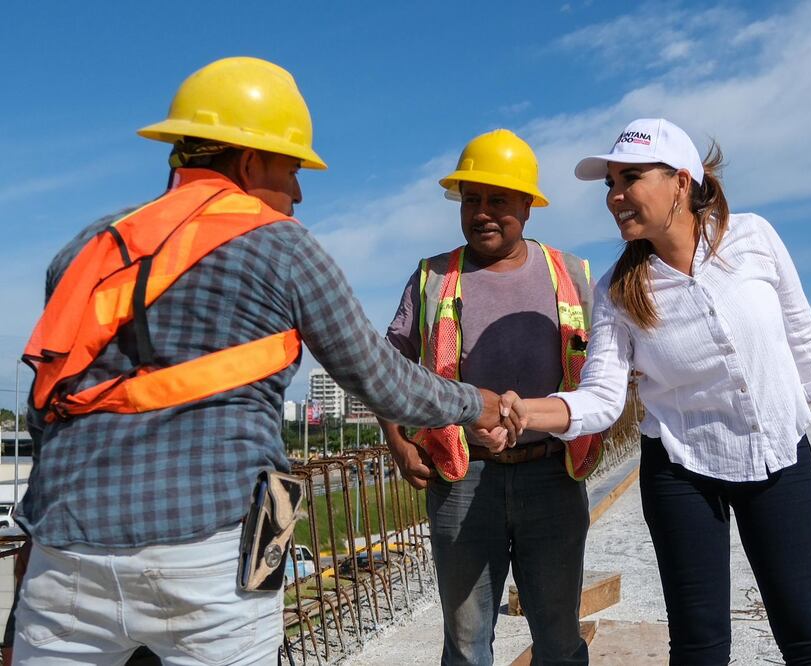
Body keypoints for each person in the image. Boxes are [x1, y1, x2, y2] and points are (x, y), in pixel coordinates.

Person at [14, 57, 519, 665]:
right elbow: (380, 379)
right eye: (292, 167)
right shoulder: (280, 245)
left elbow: (50, 401)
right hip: (214, 549)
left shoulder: (89, 248)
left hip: (66, 552)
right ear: (249, 161)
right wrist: (476, 403)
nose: (300, 191)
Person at [516, 118, 811, 664]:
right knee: (700, 644)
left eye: (629, 178)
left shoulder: (753, 237)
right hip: (681, 468)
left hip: (779, 453)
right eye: (609, 183)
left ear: (681, 181)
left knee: (807, 631)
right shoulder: (616, 290)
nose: (614, 197)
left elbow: (805, 341)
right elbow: (604, 396)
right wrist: (525, 412)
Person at [378, 129, 600, 665]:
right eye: (471, 199)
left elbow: (607, 371)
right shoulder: (433, 277)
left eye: (498, 199)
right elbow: (385, 369)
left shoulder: (571, 276)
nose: (482, 212)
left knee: (559, 639)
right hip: (462, 479)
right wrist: (398, 444)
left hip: (552, 476)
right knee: (467, 644)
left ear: (527, 205)